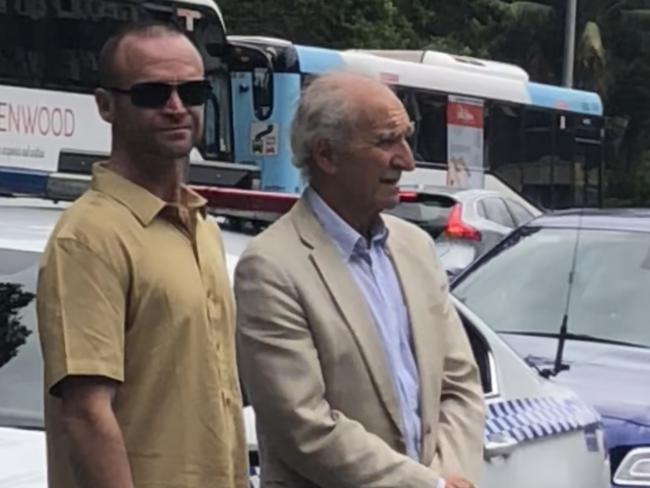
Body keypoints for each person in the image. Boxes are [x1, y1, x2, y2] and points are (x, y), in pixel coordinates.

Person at [235, 72, 486, 488]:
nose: (406, 160)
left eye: (406, 138)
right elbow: (303, 426)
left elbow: (459, 384)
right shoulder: (271, 266)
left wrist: (448, 476)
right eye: (387, 141)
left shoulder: (416, 248)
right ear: (326, 155)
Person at [36, 21, 247, 488]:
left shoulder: (203, 226)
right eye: (153, 94)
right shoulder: (89, 237)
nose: (177, 108)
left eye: (192, 91)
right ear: (106, 106)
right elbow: (88, 414)